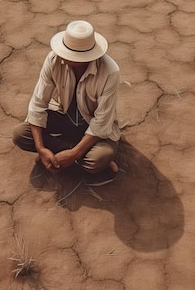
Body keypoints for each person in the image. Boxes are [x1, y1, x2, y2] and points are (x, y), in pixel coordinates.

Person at [12, 20, 120, 178]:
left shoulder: (110, 72)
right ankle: (73, 154)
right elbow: (38, 104)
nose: (62, 57)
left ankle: (74, 155)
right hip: (63, 117)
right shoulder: (54, 60)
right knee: (20, 133)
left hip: (91, 125)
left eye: (69, 55)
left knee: (99, 158)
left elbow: (101, 123)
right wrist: (41, 148)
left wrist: (74, 154)